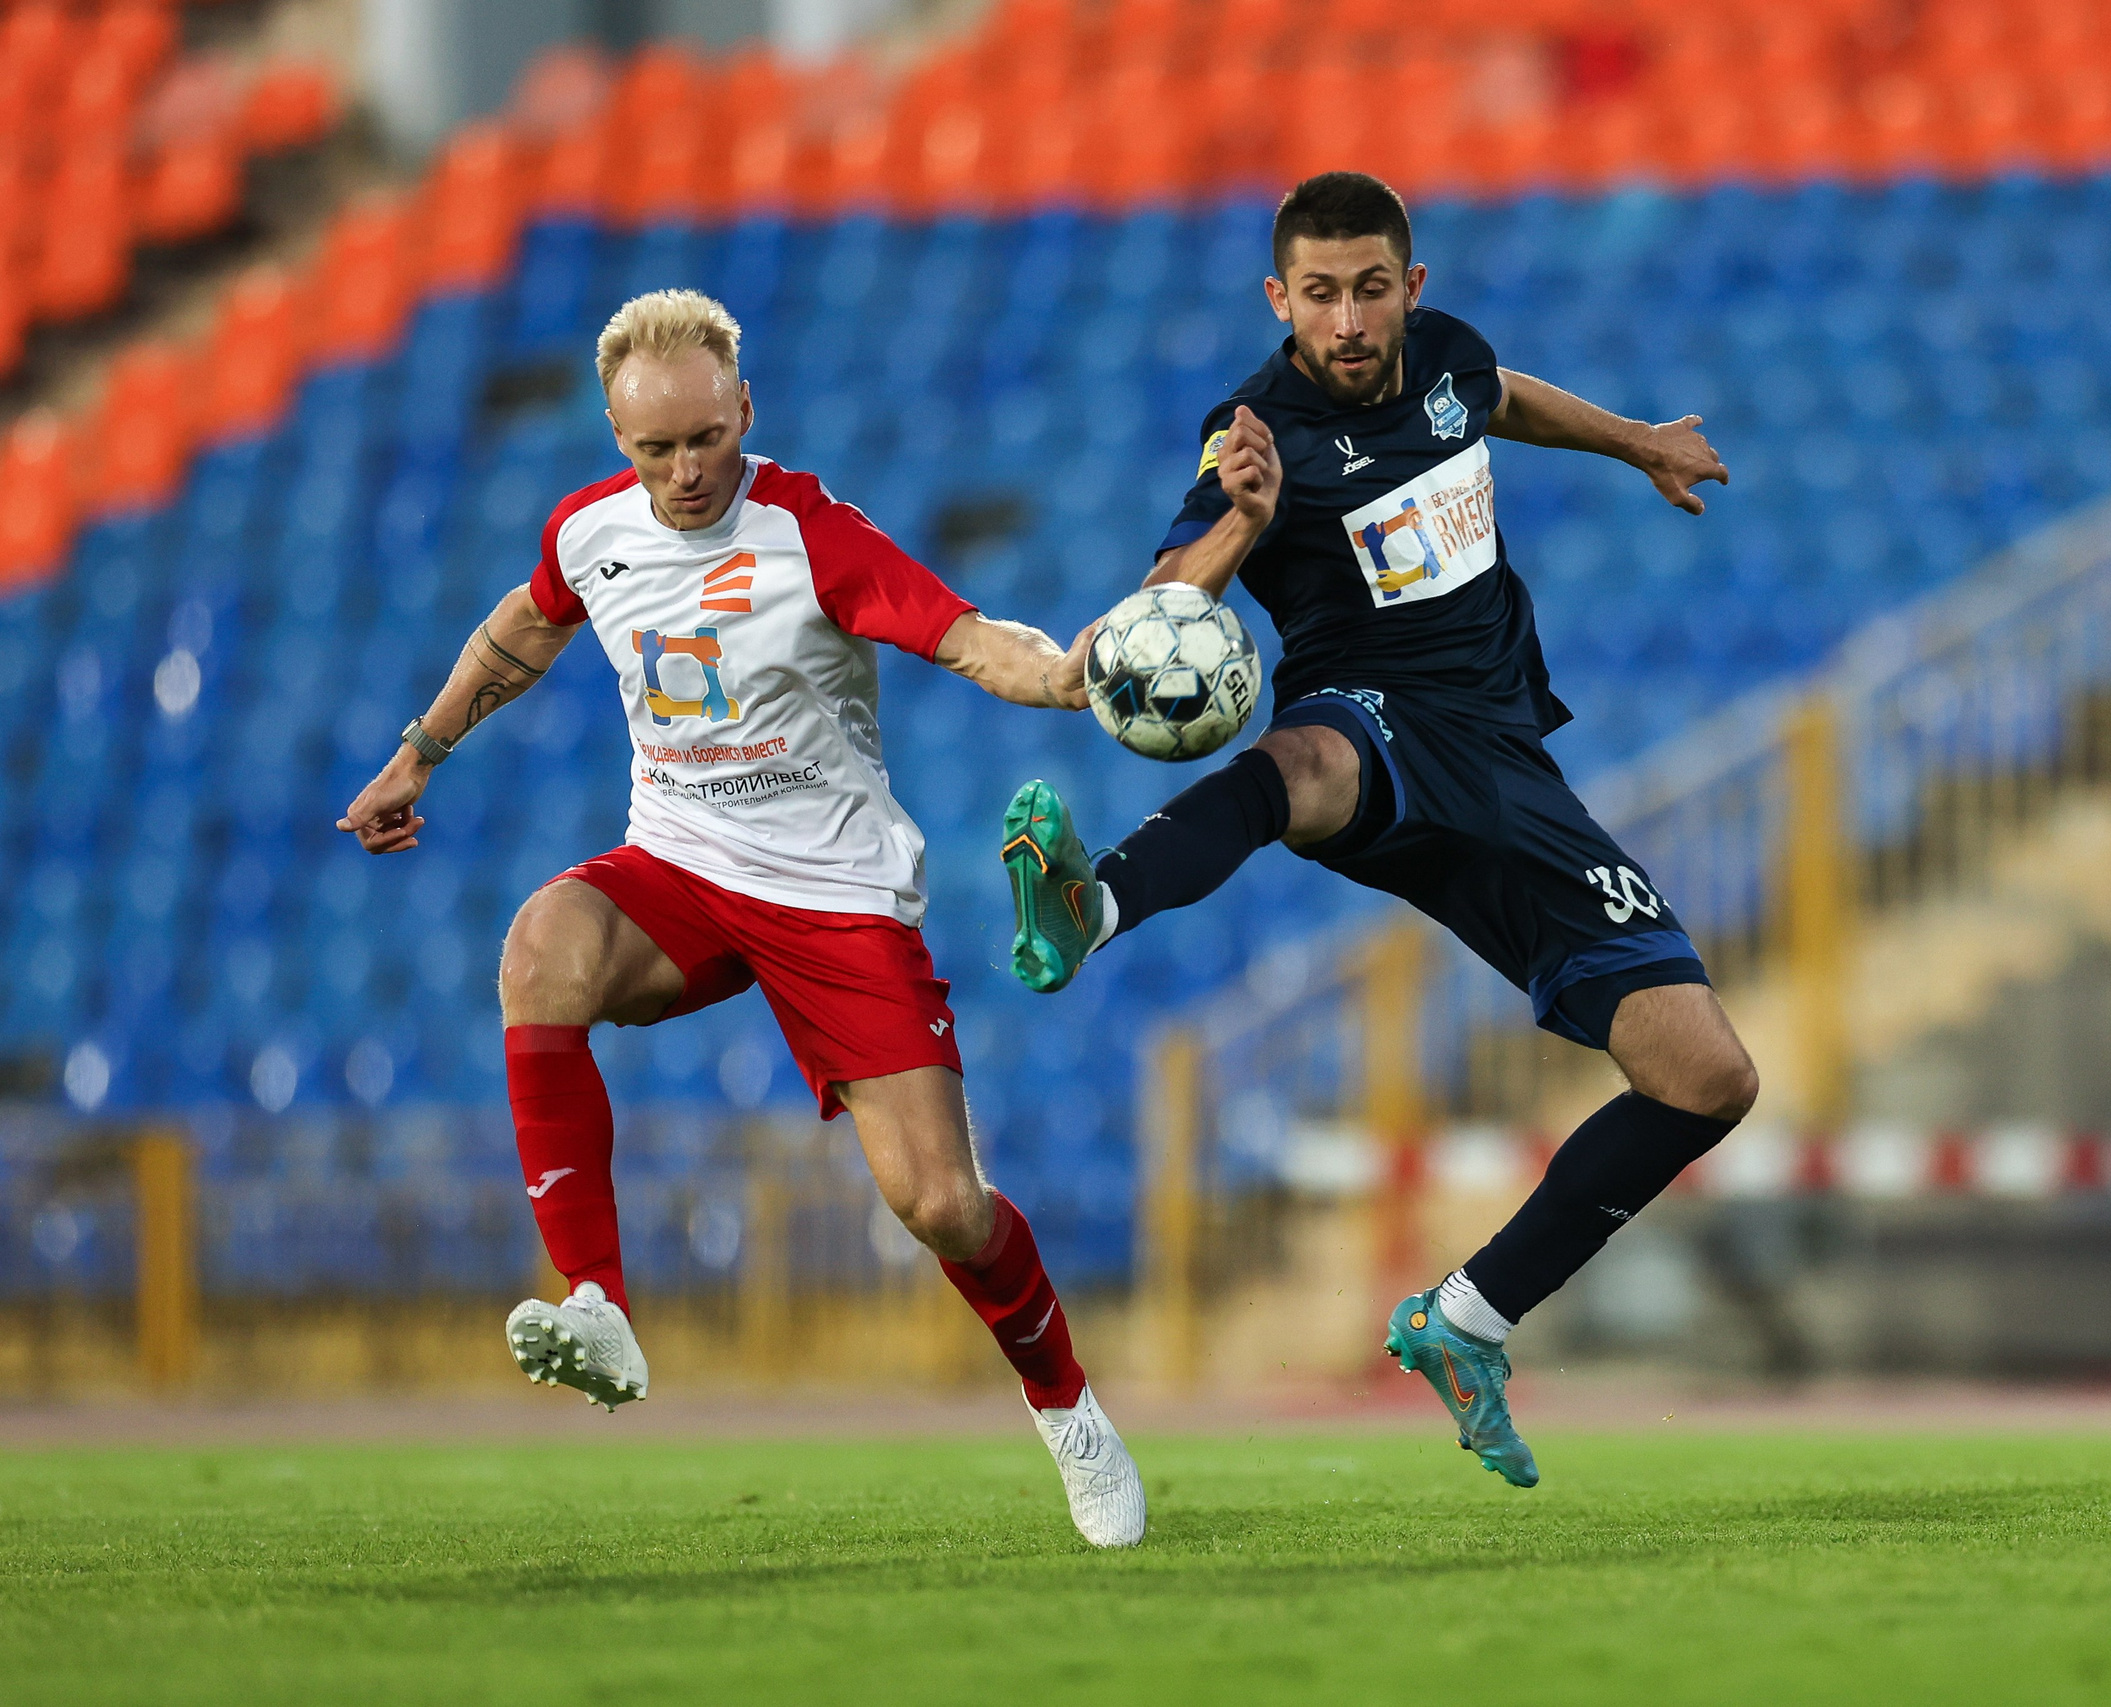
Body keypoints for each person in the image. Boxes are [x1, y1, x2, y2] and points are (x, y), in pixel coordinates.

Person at [337, 289, 1144, 1549]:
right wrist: (420, 751)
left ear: (744, 410)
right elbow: (523, 627)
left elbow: (965, 635)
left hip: (832, 898)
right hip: (681, 868)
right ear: (616, 437)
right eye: (653, 447)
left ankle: (1069, 1408)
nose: (683, 469)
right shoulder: (589, 532)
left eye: (705, 437)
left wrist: (1063, 675)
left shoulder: (809, 534)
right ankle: (595, 1297)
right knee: (540, 948)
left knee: (941, 1207)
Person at [1003, 174, 1758, 1489]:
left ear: (1407, 287)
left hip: (1508, 760)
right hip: (1371, 715)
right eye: (1318, 294)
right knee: (1301, 763)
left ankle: (1465, 1321)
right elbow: (1160, 609)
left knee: (1706, 1074)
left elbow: (1503, 395)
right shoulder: (1254, 430)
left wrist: (1639, 439)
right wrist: (1238, 523)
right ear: (1277, 299)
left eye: (1369, 289)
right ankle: (1090, 900)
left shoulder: (1447, 357)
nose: (1346, 321)